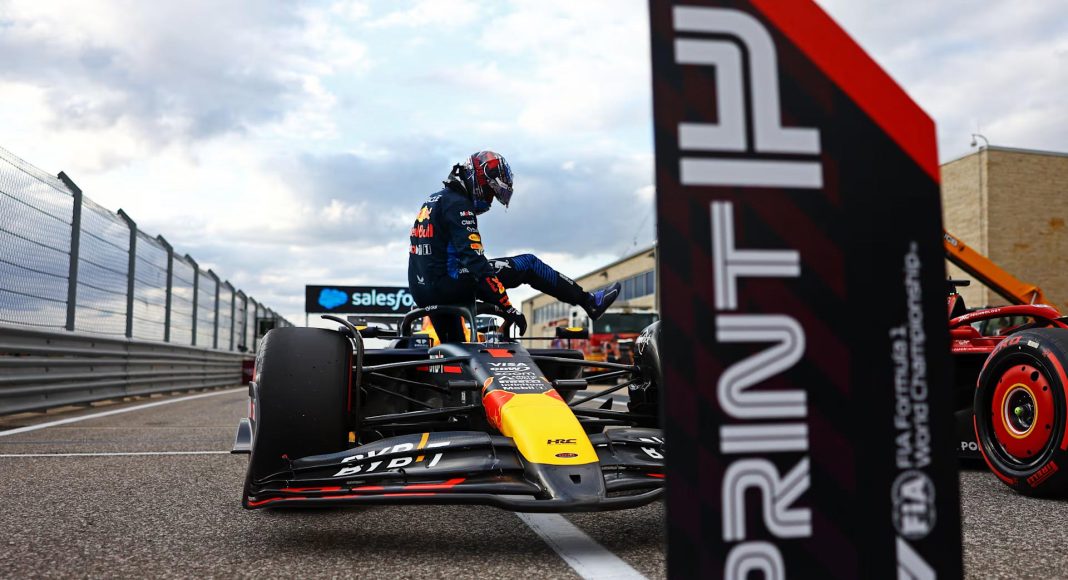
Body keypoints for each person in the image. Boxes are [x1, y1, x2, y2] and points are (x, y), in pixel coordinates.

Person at [407, 150, 620, 336]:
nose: (490, 201)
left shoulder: (434, 200)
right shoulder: (459, 205)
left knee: (455, 355)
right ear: (478, 179)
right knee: (528, 264)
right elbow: (475, 261)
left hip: (422, 291)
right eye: (490, 193)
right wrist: (507, 307)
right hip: (448, 285)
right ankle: (590, 302)